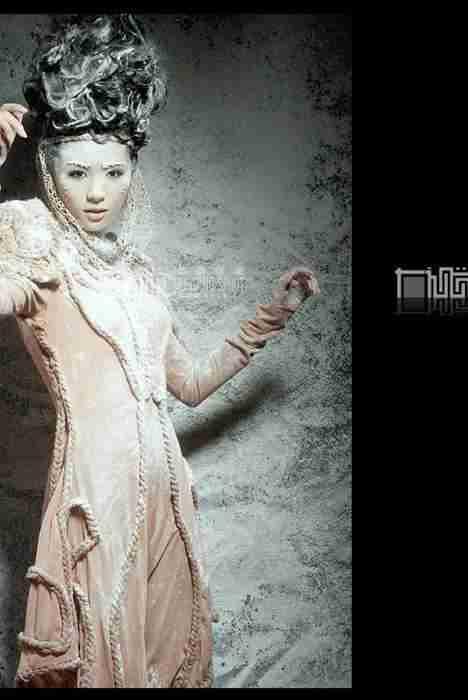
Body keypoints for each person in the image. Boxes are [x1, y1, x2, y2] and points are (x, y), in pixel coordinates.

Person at [0, 14, 320, 688]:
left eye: (112, 172)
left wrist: (269, 318)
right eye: (77, 172)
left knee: (167, 662)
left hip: (165, 490)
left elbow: (189, 385)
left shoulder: (140, 274)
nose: (96, 192)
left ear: (132, 173)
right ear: (50, 170)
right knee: (103, 659)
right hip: (96, 494)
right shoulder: (30, 241)